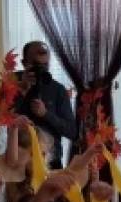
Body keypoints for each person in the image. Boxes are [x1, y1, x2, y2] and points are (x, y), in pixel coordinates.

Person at [15, 41, 76, 169]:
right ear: (24, 63)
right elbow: (2, 122)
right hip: (18, 162)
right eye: (36, 65)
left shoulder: (58, 90)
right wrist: (22, 91)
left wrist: (46, 114)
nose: (41, 70)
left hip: (51, 162)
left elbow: (71, 131)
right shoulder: (11, 84)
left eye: (45, 65)